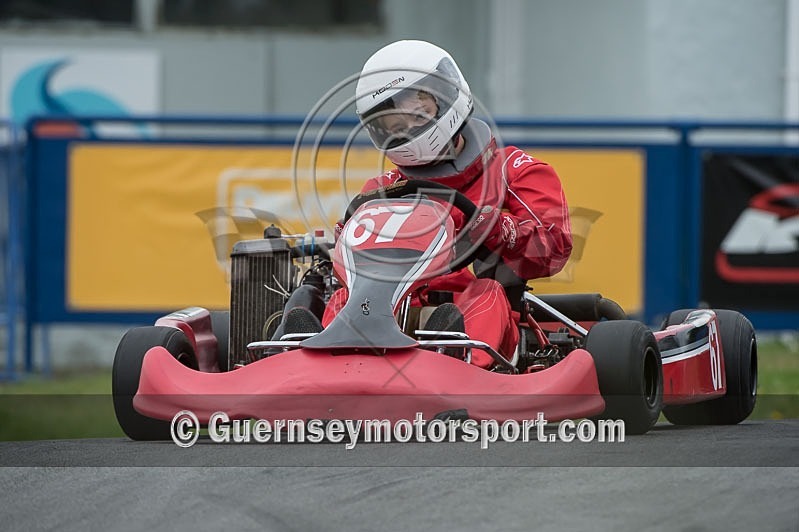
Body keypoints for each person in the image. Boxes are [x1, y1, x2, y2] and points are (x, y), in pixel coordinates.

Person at [322, 39, 573, 368]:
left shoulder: (513, 171)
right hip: (393, 311)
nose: (409, 129)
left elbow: (555, 246)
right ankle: (319, 362)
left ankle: (457, 364)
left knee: (486, 292)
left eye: (417, 113)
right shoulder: (382, 189)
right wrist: (346, 246)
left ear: (446, 95)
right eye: (394, 126)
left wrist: (500, 230)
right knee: (342, 298)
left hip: (477, 309)